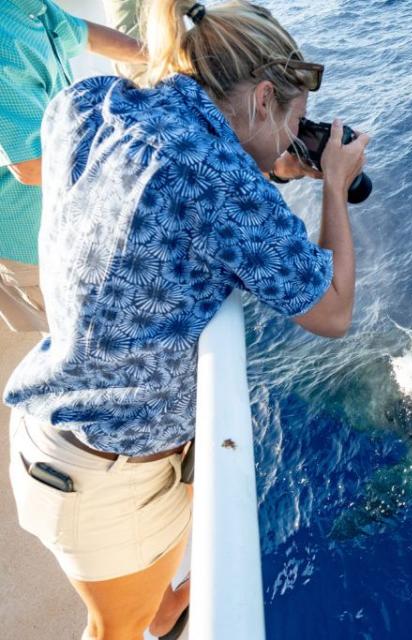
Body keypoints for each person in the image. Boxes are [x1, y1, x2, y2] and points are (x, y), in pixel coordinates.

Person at [3, 0, 368, 637]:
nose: (294, 139)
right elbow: (333, 311)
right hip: (102, 480)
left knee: (150, 607)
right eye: (294, 121)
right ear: (261, 100)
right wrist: (333, 184)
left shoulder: (88, 102)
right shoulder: (217, 180)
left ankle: (166, 611)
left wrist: (264, 158)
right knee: (114, 631)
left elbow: (173, 167)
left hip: (59, 433)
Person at [0, 0, 145, 333]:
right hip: (31, 240)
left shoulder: (26, 6)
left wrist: (161, 55)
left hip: (70, 218)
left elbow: (86, 36)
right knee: (79, 341)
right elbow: (33, 167)